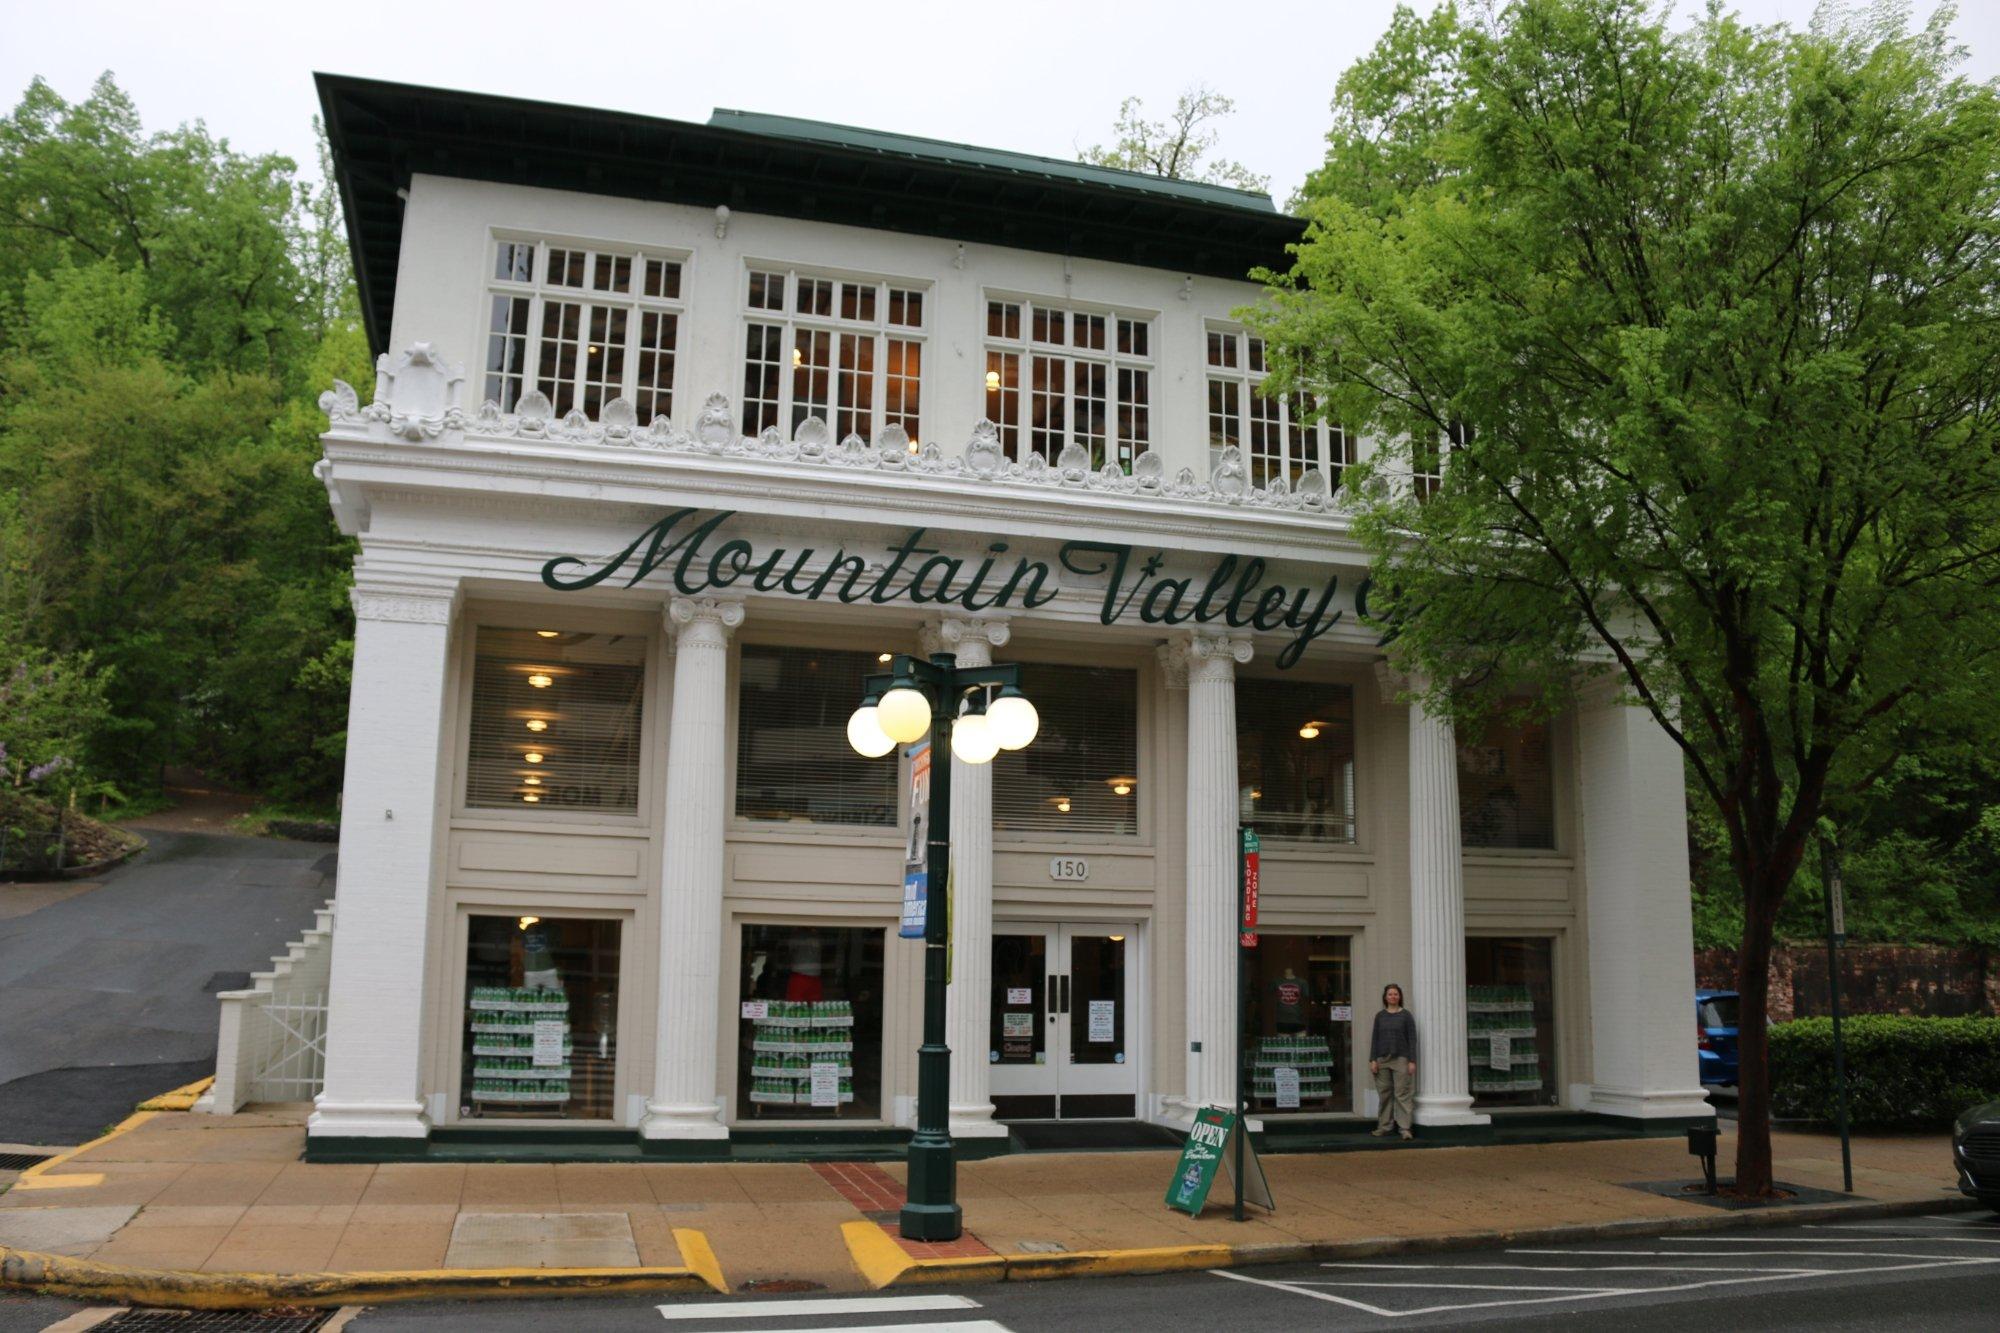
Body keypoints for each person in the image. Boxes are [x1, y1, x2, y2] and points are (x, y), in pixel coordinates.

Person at [1369, 982, 1417, 1140]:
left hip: (1401, 1059)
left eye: (1396, 994)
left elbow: (1412, 1039)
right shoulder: (1380, 1016)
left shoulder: (1406, 1015)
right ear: (1385, 997)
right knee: (1385, 1095)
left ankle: (1404, 1128)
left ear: (1400, 996)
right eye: (1390, 994)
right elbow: (1375, 1039)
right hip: (1382, 1059)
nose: (1393, 996)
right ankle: (1384, 1126)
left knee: (1402, 1094)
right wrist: (1373, 1060)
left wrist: (1412, 1061)